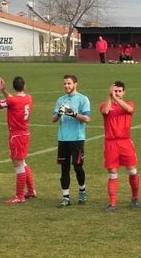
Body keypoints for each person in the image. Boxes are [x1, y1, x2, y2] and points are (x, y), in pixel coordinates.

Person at [0, 76, 37, 204]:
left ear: (14, 87)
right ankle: (31, 190)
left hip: (16, 136)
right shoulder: (29, 98)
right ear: (25, 86)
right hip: (25, 134)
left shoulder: (13, 101)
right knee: (22, 162)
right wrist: (3, 90)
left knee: (18, 165)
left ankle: (19, 196)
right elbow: (12, 99)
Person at [100, 81, 140, 211]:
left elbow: (130, 110)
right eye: (114, 90)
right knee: (112, 172)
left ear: (123, 92)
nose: (116, 93)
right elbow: (105, 111)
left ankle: (135, 198)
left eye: (119, 91)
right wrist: (109, 97)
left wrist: (116, 98)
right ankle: (112, 203)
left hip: (125, 142)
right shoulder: (104, 105)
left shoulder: (129, 104)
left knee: (132, 170)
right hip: (110, 143)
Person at [52, 74, 91, 207]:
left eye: (69, 83)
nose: (66, 86)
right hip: (63, 139)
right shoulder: (60, 100)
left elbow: (87, 118)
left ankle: (82, 190)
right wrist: (59, 113)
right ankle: (66, 197)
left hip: (77, 139)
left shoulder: (82, 99)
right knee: (64, 168)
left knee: (78, 167)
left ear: (75, 84)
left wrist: (73, 114)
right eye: (64, 84)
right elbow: (53, 119)